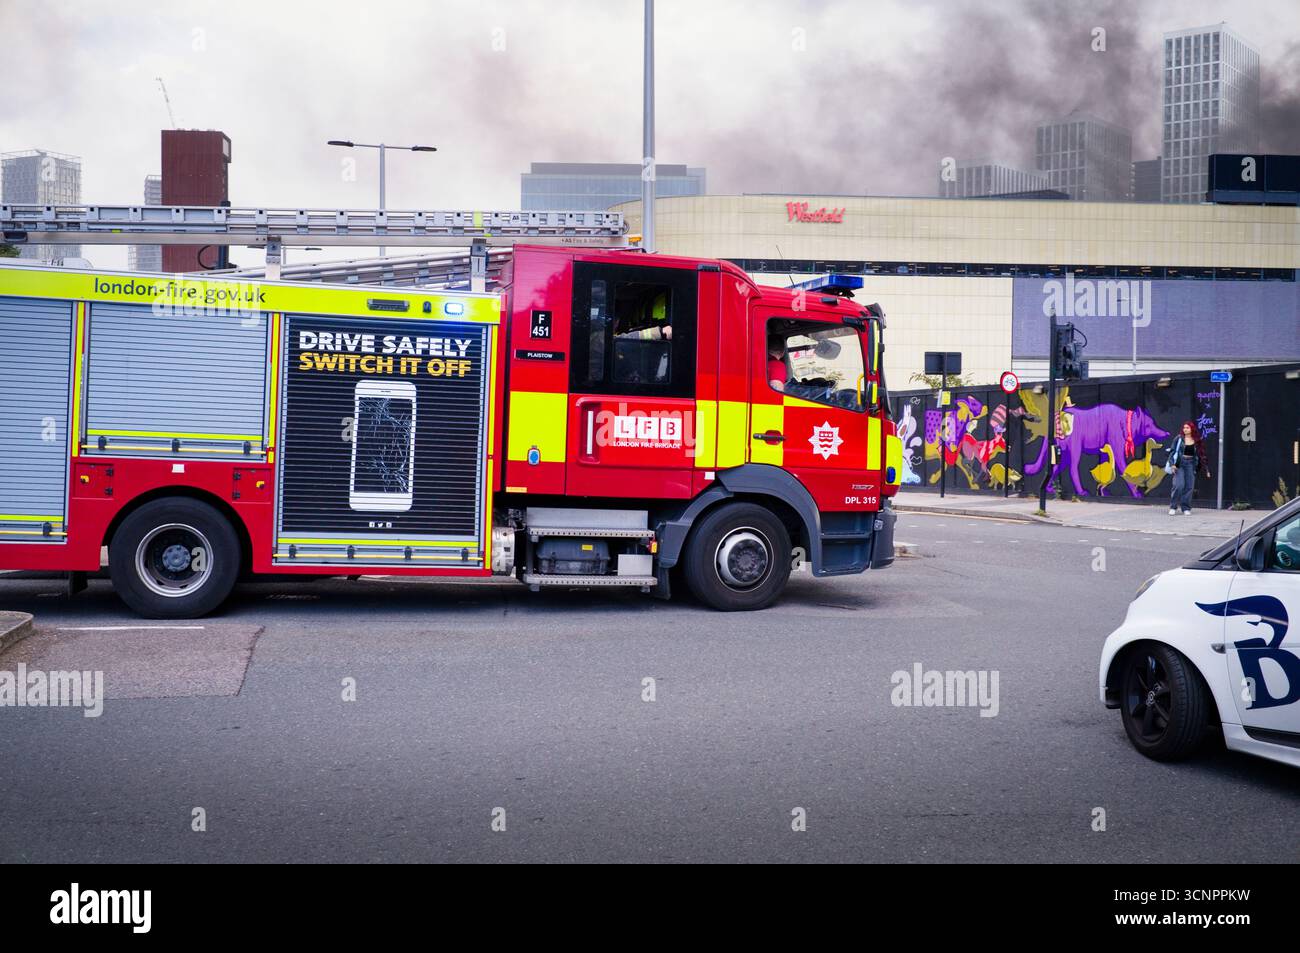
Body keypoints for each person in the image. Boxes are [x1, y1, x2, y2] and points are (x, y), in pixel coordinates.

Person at [1166, 420, 1210, 515]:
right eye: (1184, 428)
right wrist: (1172, 464)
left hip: (1190, 464)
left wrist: (1206, 469)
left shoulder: (1196, 440)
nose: (1185, 429)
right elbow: (1172, 452)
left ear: (1191, 429)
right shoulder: (1179, 438)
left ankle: (1185, 507)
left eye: (1187, 428)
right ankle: (1173, 506)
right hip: (1179, 463)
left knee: (1189, 486)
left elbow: (1201, 454)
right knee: (1179, 485)